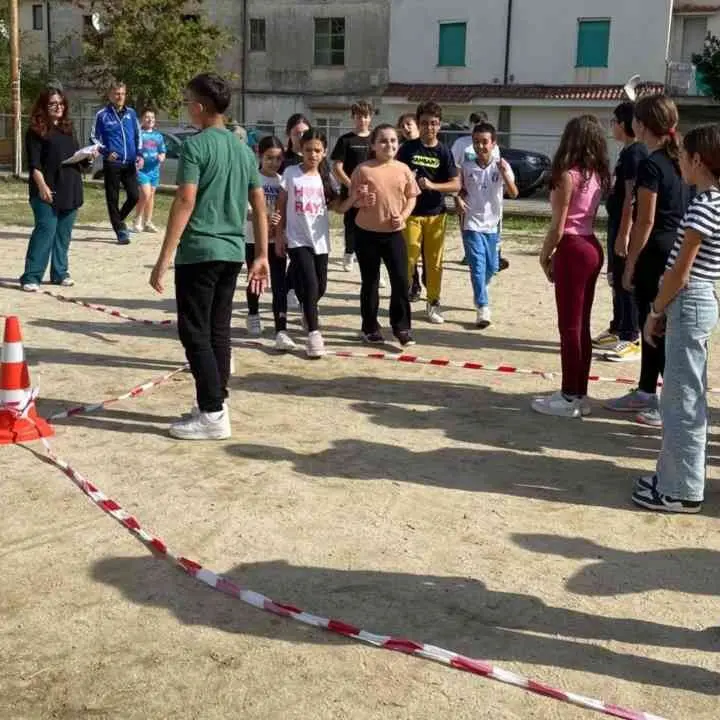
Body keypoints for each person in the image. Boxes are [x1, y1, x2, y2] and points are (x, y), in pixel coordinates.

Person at [149, 73, 269, 441]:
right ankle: (214, 404)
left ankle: (213, 412)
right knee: (217, 331)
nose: (187, 107)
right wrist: (261, 254)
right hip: (232, 252)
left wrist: (164, 256)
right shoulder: (244, 149)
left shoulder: (196, 146)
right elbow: (260, 205)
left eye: (188, 101)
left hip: (200, 251)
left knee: (194, 331)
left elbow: (185, 200)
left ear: (200, 107)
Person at [632, 125, 720, 514]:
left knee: (682, 399)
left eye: (683, 155)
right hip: (694, 300)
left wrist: (656, 311)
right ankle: (677, 476)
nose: (679, 161)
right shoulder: (712, 200)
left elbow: (681, 272)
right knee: (684, 395)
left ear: (698, 160)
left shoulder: (705, 205)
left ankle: (680, 491)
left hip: (688, 299)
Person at [605, 96, 690, 427]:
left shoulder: (652, 165)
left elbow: (646, 220)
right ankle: (644, 391)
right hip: (677, 251)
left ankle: (662, 403)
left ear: (641, 125)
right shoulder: (682, 161)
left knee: (656, 328)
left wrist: (629, 263)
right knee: (654, 328)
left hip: (655, 255)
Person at [531, 115, 610, 418]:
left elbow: (558, 226)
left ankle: (569, 396)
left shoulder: (568, 175)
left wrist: (544, 256)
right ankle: (578, 392)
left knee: (570, 326)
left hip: (574, 248)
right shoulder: (597, 174)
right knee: (582, 326)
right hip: (591, 244)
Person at [276, 128, 353, 358]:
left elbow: (338, 207)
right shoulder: (290, 173)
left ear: (324, 152)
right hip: (297, 240)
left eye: (318, 150)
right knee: (310, 284)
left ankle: (306, 308)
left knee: (320, 287)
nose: (313, 154)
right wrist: (279, 234)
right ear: (301, 149)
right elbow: (281, 204)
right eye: (308, 149)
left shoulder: (326, 177)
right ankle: (313, 334)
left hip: (320, 240)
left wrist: (355, 198)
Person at [350, 123, 420, 346]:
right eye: (382, 140)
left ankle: (401, 328)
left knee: (400, 281)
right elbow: (352, 200)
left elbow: (411, 197)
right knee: (370, 282)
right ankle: (369, 327)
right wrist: (362, 201)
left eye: (392, 140)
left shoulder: (403, 169)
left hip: (394, 233)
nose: (388, 144)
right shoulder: (363, 170)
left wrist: (404, 215)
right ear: (373, 145)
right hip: (366, 233)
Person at [20, 86, 94, 291]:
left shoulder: (68, 128)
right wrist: (42, 187)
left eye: (61, 103)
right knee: (46, 231)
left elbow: (78, 160)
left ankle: (60, 273)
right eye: (53, 103)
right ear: (44, 106)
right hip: (46, 190)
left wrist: (88, 158)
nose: (58, 107)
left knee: (63, 234)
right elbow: (34, 165)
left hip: (70, 187)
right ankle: (31, 276)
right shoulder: (35, 131)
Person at [592, 101, 647, 362]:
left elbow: (632, 197)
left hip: (627, 227)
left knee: (627, 280)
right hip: (616, 224)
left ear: (625, 124)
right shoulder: (627, 152)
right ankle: (618, 327)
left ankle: (631, 336)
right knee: (615, 278)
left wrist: (625, 233)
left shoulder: (636, 153)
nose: (611, 126)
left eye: (614, 121)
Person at [397, 101, 461, 324]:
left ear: (440, 125)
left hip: (436, 214)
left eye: (433, 123)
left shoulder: (444, 151)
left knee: (434, 262)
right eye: (424, 123)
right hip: (411, 213)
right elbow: (395, 175)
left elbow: (455, 184)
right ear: (419, 124)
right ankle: (402, 300)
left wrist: (433, 186)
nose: (429, 128)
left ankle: (433, 302)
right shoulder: (407, 149)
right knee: (409, 258)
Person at [457, 122, 518, 329]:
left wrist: (504, 174)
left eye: (484, 142)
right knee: (477, 266)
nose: (480, 146)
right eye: (476, 142)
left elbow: (514, 193)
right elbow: (460, 189)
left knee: (492, 267)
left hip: (493, 225)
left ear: (493, 143)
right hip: (471, 223)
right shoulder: (466, 166)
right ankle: (482, 307)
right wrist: (458, 198)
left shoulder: (501, 165)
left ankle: (481, 288)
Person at [245, 135, 296, 352]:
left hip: (276, 239)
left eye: (278, 159)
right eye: (269, 158)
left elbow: (287, 208)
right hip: (253, 238)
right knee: (256, 278)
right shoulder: (251, 179)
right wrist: (262, 217)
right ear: (260, 155)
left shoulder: (282, 180)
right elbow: (244, 211)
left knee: (279, 283)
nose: (274, 163)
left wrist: (280, 221)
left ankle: (281, 328)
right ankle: (254, 313)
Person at [91, 81, 143, 245]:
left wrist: (139, 154)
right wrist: (106, 151)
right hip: (112, 163)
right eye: (116, 93)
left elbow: (138, 135)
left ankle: (118, 220)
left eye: (122, 93)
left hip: (129, 163)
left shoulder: (132, 114)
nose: (120, 96)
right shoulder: (102, 115)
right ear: (110, 95)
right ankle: (120, 231)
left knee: (135, 196)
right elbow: (93, 137)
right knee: (112, 198)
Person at [331, 100, 373, 272]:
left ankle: (372, 260)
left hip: (371, 190)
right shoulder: (345, 140)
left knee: (371, 224)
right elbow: (337, 167)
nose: (361, 120)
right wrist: (350, 184)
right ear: (352, 118)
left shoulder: (375, 139)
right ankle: (349, 253)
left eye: (365, 116)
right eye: (358, 117)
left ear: (370, 118)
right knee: (351, 223)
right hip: (350, 191)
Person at [280, 113, 311, 311]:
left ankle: (297, 290)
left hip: (308, 219)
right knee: (294, 257)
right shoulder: (283, 160)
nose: (300, 137)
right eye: (296, 133)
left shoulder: (314, 158)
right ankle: (288, 289)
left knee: (305, 259)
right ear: (289, 135)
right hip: (285, 218)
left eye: (304, 133)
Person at [397, 113, 425, 301]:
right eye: (402, 126)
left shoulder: (431, 146)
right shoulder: (402, 150)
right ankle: (414, 284)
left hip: (430, 207)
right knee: (410, 250)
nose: (406, 128)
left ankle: (428, 280)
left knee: (427, 251)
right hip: (410, 207)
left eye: (409, 124)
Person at [132, 108, 166, 234]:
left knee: (151, 195)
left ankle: (148, 222)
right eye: (147, 117)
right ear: (142, 119)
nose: (150, 119)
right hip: (141, 170)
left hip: (154, 170)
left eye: (152, 117)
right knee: (145, 194)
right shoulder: (139, 134)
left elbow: (162, 151)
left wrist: (162, 156)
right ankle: (137, 219)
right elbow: (133, 149)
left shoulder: (158, 136)